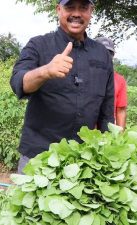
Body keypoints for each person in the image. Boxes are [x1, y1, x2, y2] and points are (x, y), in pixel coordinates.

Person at [10, 0, 115, 174]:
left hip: (83, 160)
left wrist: (109, 151)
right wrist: (46, 71)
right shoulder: (38, 45)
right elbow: (19, 83)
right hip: (39, 156)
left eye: (83, 7)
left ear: (91, 11)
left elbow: (107, 110)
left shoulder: (102, 54)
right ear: (58, 10)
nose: (76, 13)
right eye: (70, 7)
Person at [95, 37, 127, 129]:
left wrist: (120, 136)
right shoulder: (83, 75)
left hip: (107, 129)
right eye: (101, 52)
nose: (105, 57)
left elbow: (121, 110)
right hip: (85, 131)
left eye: (109, 53)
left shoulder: (119, 80)